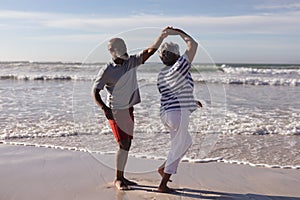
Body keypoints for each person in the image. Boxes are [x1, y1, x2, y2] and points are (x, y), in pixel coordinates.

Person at [91, 28, 168, 190]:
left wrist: (161, 36)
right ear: (111, 51)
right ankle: (118, 179)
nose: (123, 49)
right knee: (123, 143)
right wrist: (104, 109)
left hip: (129, 109)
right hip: (116, 111)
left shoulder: (131, 62)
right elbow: (95, 91)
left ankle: (122, 177)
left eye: (124, 46)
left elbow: (149, 51)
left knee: (128, 143)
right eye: (119, 47)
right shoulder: (107, 70)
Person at [156, 27, 202, 193]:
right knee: (178, 146)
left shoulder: (162, 74)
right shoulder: (179, 66)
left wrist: (192, 102)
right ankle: (163, 185)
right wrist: (177, 31)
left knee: (186, 142)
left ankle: (164, 168)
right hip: (177, 114)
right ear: (176, 55)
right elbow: (193, 44)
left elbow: (173, 94)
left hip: (167, 114)